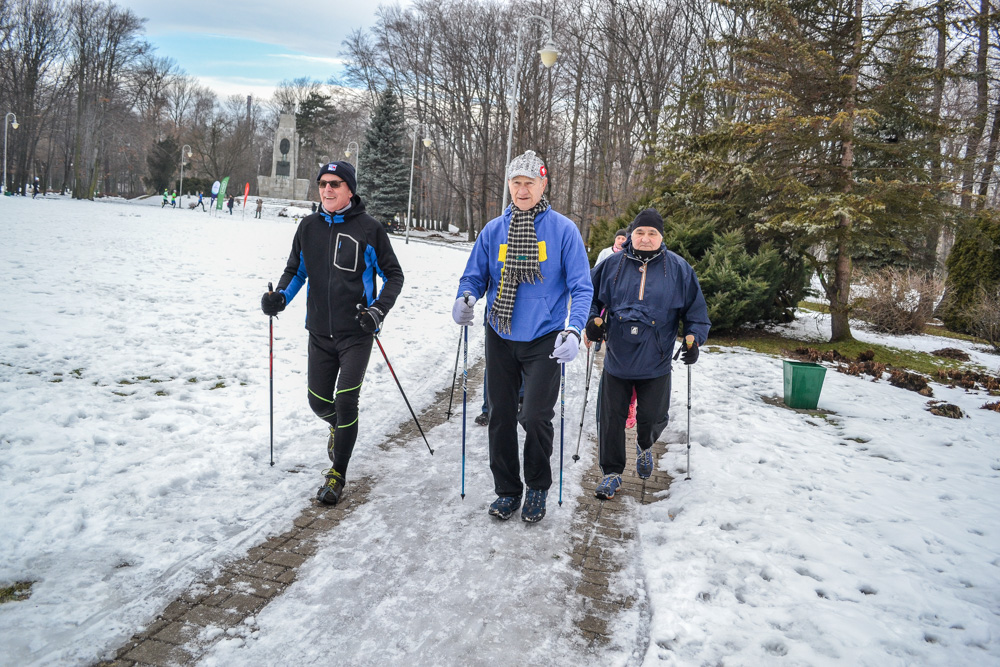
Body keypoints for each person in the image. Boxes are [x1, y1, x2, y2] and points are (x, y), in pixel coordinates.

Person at [454, 150, 592, 523]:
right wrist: (465, 297)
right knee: (499, 416)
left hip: (545, 337)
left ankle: (536, 487)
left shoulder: (563, 230)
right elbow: (475, 277)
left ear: (543, 184)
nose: (522, 189)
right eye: (516, 182)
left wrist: (574, 328)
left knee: (533, 417)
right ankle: (508, 491)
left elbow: (582, 287)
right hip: (500, 332)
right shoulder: (494, 229)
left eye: (529, 182)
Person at [261, 161, 404, 506]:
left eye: (335, 184)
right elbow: (296, 270)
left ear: (349, 189)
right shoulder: (308, 227)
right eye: (322, 183)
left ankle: (337, 474)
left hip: (356, 333)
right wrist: (279, 298)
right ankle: (340, 428)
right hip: (319, 333)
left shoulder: (370, 230)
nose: (327, 189)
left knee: (345, 400)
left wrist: (377, 311)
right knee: (318, 401)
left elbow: (394, 276)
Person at [585, 208, 710, 500]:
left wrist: (694, 340)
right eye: (639, 232)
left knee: (653, 417)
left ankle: (645, 446)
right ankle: (611, 474)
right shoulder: (611, 266)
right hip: (617, 359)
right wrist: (592, 323)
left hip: (657, 360)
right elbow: (588, 298)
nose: (644, 238)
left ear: (661, 236)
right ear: (631, 235)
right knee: (610, 419)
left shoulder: (679, 269)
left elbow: (696, 313)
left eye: (651, 233)